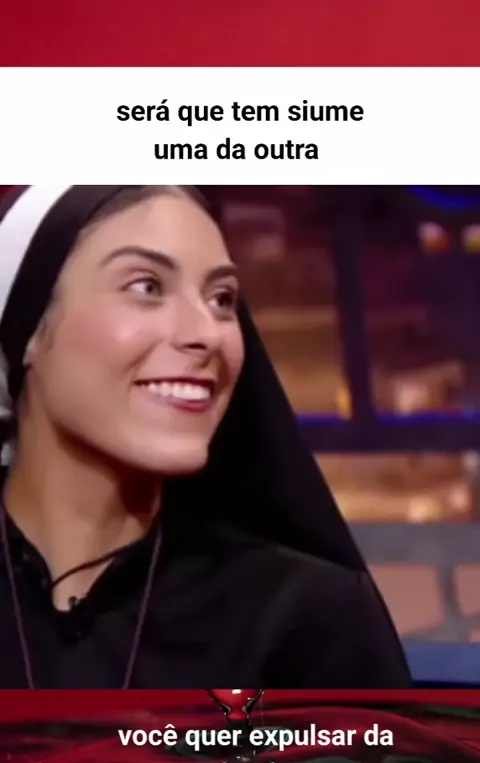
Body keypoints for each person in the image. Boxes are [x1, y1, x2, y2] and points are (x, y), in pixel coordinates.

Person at [0, 185, 411, 689]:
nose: (207, 333)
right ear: (28, 328)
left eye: (222, 300)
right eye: (147, 286)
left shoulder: (309, 616)